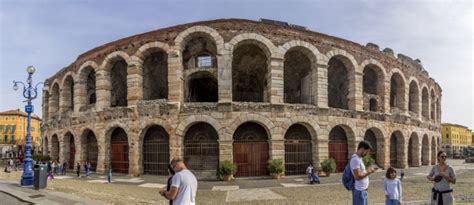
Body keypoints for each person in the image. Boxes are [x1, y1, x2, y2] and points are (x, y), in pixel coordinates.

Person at [350, 140, 378, 205]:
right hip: (359, 191)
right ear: (362, 148)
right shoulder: (355, 160)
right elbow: (358, 177)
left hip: (363, 190)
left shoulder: (359, 159)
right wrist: (369, 172)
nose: (367, 154)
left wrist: (367, 170)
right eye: (367, 151)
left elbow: (360, 172)